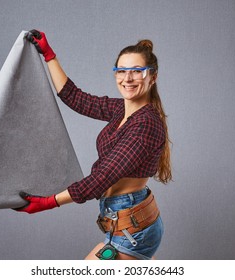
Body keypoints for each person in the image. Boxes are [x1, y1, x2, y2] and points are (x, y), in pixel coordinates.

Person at [15, 30, 172, 260]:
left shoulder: (145, 125)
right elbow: (76, 98)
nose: (127, 79)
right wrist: (49, 55)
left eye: (136, 72)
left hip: (134, 230)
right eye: (121, 71)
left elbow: (102, 178)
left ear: (152, 76)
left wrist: (48, 202)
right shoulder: (122, 110)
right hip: (127, 221)